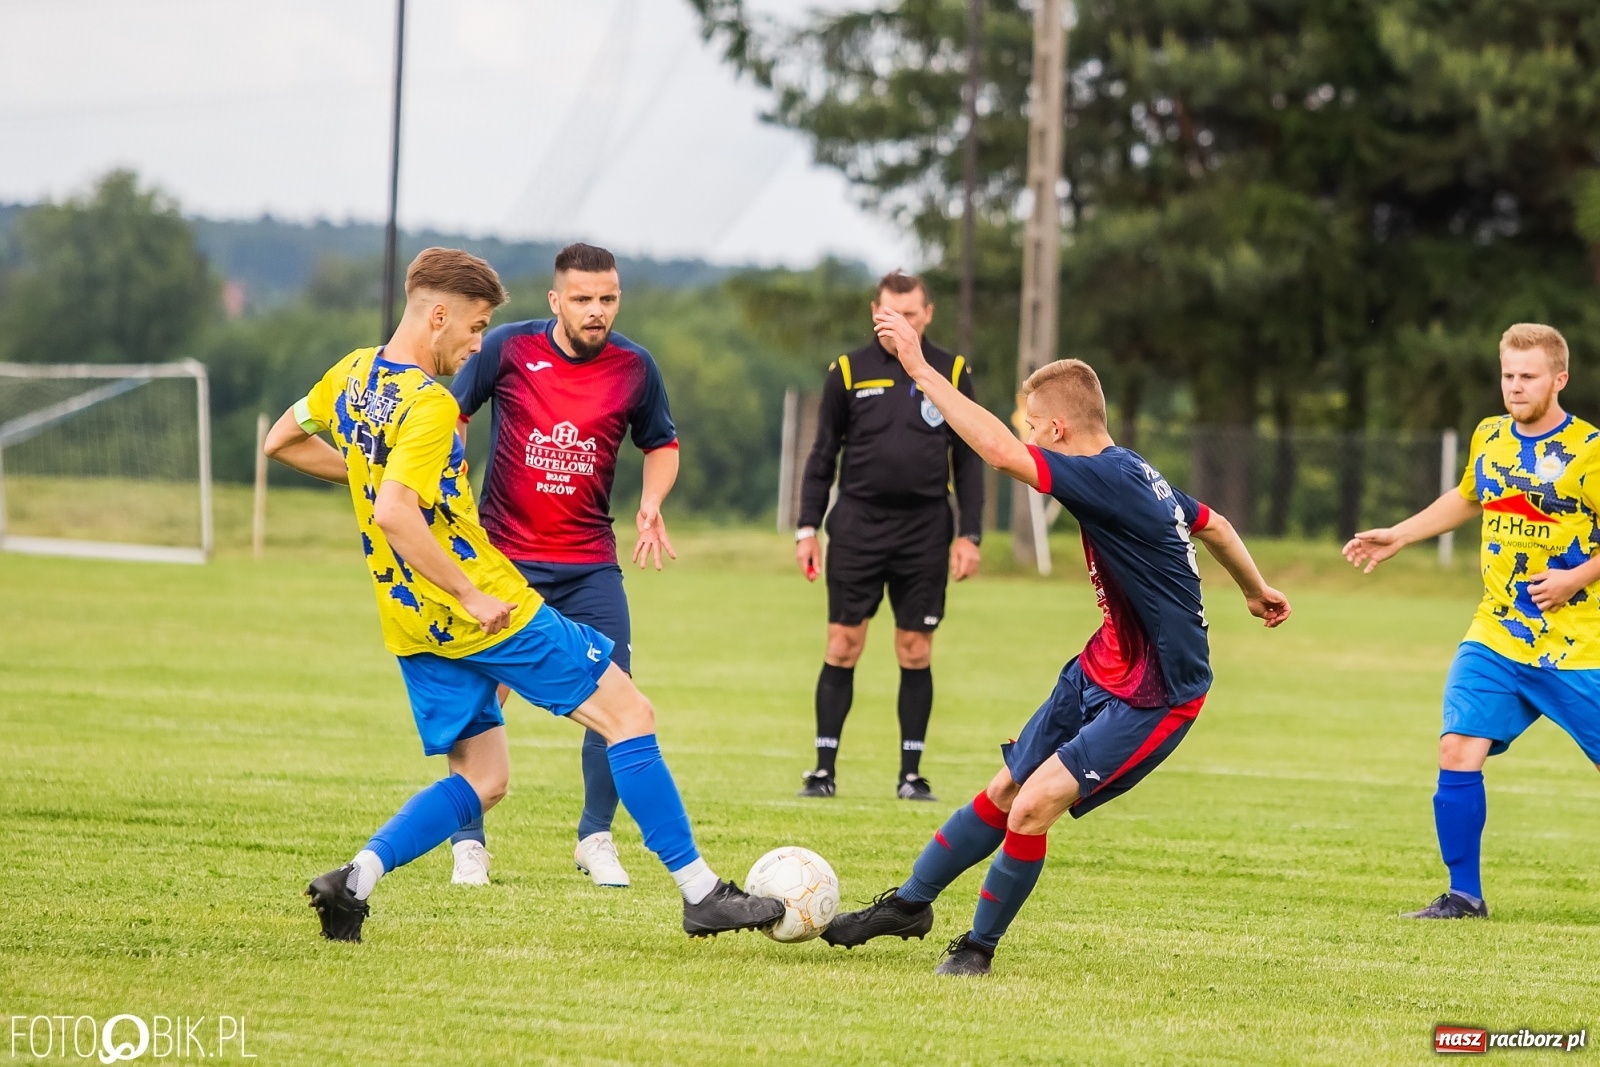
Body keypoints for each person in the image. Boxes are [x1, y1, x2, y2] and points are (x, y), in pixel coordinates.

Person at [263, 247, 783, 942]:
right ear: (438, 314)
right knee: (630, 713)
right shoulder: (427, 403)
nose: (479, 344)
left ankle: (354, 879)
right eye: (475, 328)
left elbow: (282, 440)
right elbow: (394, 510)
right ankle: (700, 892)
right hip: (483, 604)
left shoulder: (352, 374)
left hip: (411, 622)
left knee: (485, 776)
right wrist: (469, 592)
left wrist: (367, 472)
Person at [819, 307, 1291, 975]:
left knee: (1036, 803)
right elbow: (1212, 524)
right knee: (1005, 789)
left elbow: (997, 452)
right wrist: (1254, 588)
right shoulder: (1131, 471)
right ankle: (909, 903)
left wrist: (919, 366)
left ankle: (976, 950)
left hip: (1159, 693)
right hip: (1103, 666)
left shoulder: (1103, 475)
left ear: (1059, 428)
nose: (1028, 436)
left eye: (1034, 424)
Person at [1343, 323, 1600, 920]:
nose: (1514, 386)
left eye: (1528, 376)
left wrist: (1574, 579)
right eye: (1507, 375)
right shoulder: (1490, 436)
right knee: (1458, 747)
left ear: (1559, 379)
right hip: (1498, 632)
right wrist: (1400, 535)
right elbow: (1467, 497)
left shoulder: (1590, 450)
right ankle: (1464, 896)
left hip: (1579, 646)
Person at [448, 242, 678, 890]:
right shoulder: (508, 349)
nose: (596, 309)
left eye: (607, 298)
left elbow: (661, 442)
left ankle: (595, 837)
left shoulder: (636, 367)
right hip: (505, 559)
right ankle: (469, 841)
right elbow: (451, 412)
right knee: (480, 697)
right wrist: (451, 467)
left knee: (619, 695)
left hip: (588, 564)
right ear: (556, 300)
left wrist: (652, 502)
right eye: (582, 298)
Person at [795, 271, 985, 802]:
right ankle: (823, 769)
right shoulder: (849, 371)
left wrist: (970, 533)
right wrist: (807, 527)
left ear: (927, 315)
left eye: (909, 313)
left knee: (915, 649)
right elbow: (822, 455)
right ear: (874, 311)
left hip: (926, 528)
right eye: (888, 312)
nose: (897, 322)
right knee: (843, 643)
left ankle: (911, 775)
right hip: (857, 523)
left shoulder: (950, 371)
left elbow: (969, 460)